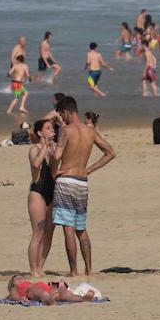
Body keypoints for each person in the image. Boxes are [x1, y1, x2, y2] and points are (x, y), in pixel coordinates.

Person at [51, 95, 116, 277]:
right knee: (81, 228)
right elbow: (110, 152)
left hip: (66, 182)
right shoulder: (90, 131)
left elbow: (56, 156)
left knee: (68, 229)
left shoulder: (66, 130)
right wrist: (88, 170)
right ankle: (88, 270)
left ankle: (74, 271)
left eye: (61, 115)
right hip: (82, 182)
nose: (61, 119)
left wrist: (54, 172)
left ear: (66, 112)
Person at [26, 119, 57, 276]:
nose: (52, 130)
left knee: (49, 233)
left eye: (52, 127)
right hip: (38, 193)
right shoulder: (34, 149)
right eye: (48, 128)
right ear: (39, 133)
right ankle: (33, 270)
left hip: (52, 193)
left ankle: (40, 266)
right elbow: (36, 164)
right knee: (38, 234)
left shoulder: (54, 149)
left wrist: (53, 150)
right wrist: (44, 147)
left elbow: (58, 169)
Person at [5, 274, 96, 304]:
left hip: (49, 290)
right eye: (17, 279)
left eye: (21, 277)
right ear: (12, 284)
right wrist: (20, 299)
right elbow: (12, 296)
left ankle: (84, 298)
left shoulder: (30, 283)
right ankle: (47, 299)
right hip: (32, 290)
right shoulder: (15, 288)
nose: (20, 279)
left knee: (64, 294)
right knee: (40, 292)